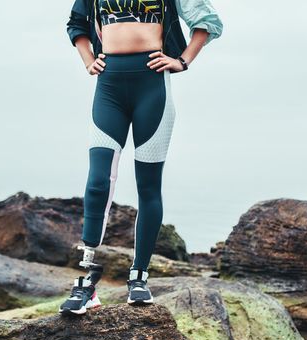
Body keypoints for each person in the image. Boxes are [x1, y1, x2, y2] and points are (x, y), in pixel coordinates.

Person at [60, 0, 223, 315]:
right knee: (97, 183)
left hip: (153, 87)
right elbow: (76, 23)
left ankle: (139, 276)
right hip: (108, 88)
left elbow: (208, 21)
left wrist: (183, 61)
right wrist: (88, 60)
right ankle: (86, 280)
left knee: (148, 186)